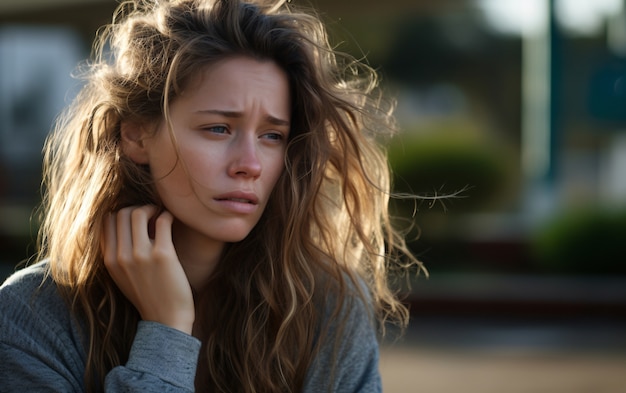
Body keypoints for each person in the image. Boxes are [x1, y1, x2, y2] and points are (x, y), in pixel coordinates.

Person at [0, 0, 422, 391]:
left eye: (272, 135)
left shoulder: (326, 309)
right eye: (219, 128)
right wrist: (166, 331)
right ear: (135, 135)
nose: (250, 164)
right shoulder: (32, 316)